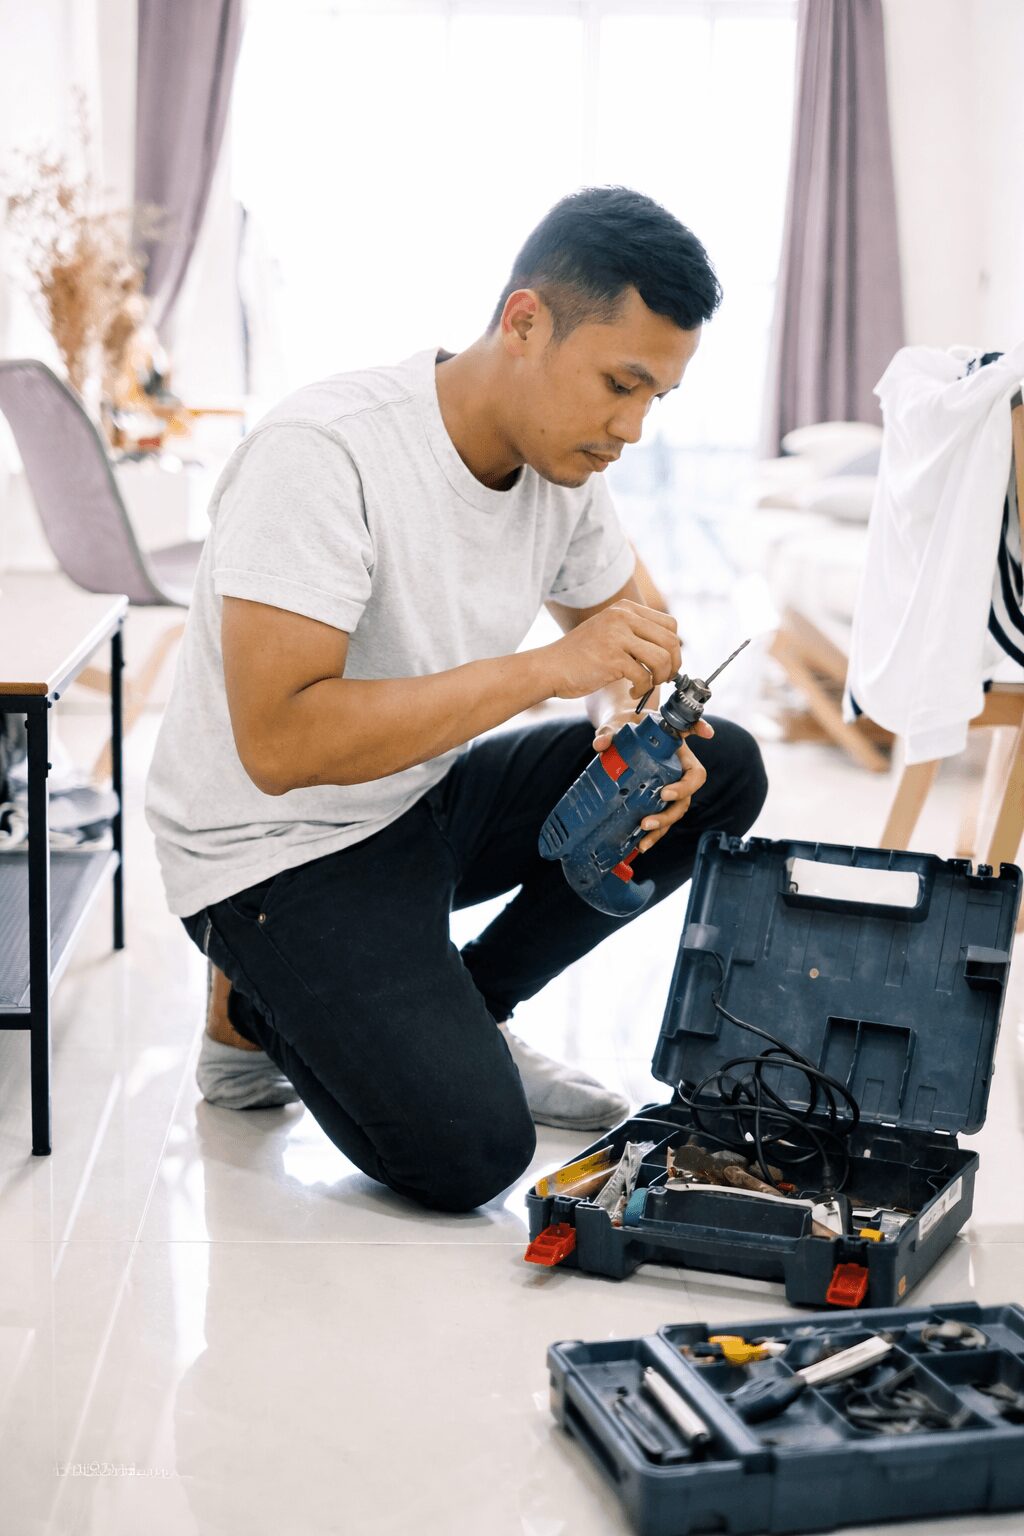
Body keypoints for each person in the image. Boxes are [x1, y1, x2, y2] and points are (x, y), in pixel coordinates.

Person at [145, 185, 768, 1213]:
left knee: (723, 769)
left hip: (414, 798)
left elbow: (631, 638)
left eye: (656, 397)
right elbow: (279, 741)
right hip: (275, 849)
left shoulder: (565, 462)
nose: (632, 427)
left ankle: (467, 1005)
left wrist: (635, 730)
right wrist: (544, 674)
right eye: (620, 383)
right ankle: (249, 1008)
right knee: (468, 1154)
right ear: (523, 322)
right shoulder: (325, 454)